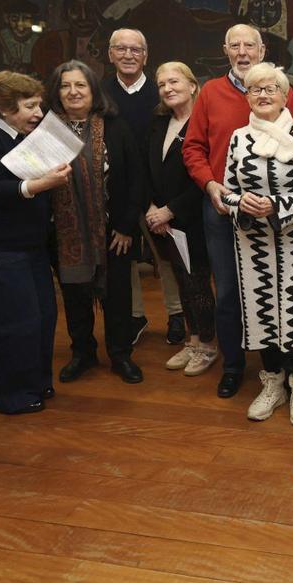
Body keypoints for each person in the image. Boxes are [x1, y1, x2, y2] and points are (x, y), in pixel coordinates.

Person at [182, 24, 293, 398]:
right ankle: (234, 366)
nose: (242, 52)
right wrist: (211, 185)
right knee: (229, 292)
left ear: (262, 49)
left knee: (279, 290)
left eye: (249, 45)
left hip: (277, 215)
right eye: (235, 45)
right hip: (222, 205)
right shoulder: (210, 92)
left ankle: (287, 368)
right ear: (225, 49)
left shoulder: (280, 88)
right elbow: (192, 148)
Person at [221, 63, 293, 425]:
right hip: (251, 242)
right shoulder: (238, 138)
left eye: (270, 89)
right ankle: (272, 384)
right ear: (247, 97)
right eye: (255, 89)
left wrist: (276, 206)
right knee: (259, 311)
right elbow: (227, 192)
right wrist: (240, 203)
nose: (263, 95)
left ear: (284, 96)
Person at [0, 71, 71, 415]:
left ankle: (36, 383)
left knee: (43, 316)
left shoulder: (22, 135)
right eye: (30, 106)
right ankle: (11, 395)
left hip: (30, 245)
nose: (39, 113)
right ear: (4, 106)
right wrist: (42, 184)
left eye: (38, 105)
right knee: (15, 323)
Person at [46, 60, 146, 385]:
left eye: (80, 85)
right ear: (57, 92)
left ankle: (121, 355)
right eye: (65, 85)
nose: (73, 92)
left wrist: (127, 226)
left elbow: (136, 179)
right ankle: (82, 354)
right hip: (67, 234)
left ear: (93, 90)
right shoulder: (46, 131)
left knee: (118, 298)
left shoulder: (115, 126)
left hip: (114, 232)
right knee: (74, 296)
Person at [102, 27, 183, 347]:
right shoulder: (99, 93)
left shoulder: (160, 92)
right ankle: (135, 316)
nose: (128, 55)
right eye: (121, 49)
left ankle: (177, 314)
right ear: (110, 54)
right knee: (124, 257)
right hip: (116, 193)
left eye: (135, 50)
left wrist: (153, 199)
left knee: (167, 257)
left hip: (156, 192)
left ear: (145, 56)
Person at [145, 62, 218, 375]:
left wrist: (170, 209)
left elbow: (206, 176)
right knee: (182, 283)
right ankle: (193, 340)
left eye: (174, 81)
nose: (167, 88)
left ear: (192, 85)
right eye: (162, 84)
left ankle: (209, 345)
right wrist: (153, 207)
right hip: (164, 221)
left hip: (195, 217)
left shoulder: (204, 123)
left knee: (198, 284)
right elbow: (148, 167)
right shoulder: (158, 122)